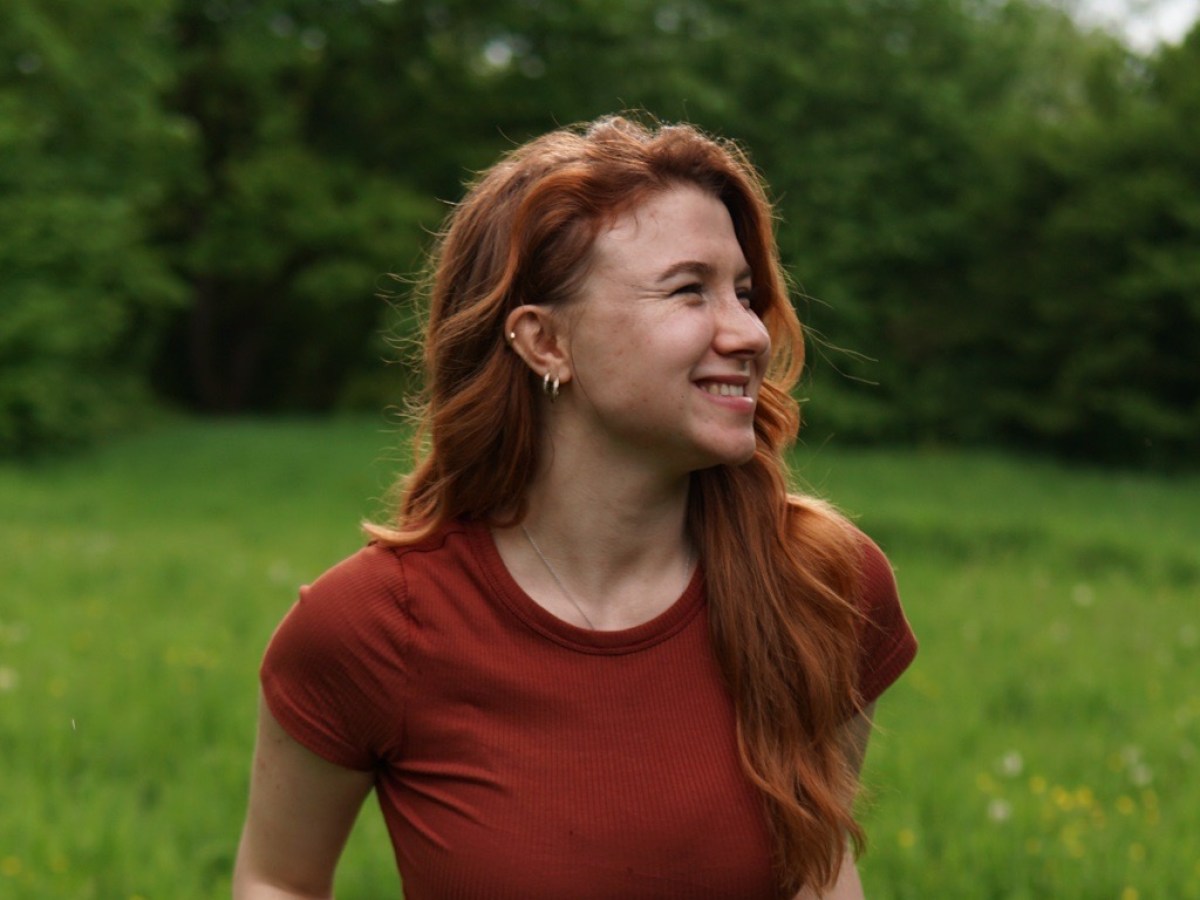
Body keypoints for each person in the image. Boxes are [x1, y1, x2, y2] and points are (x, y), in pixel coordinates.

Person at [233, 115, 917, 900]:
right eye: (690, 290)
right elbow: (275, 881)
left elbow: (820, 874)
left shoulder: (823, 582)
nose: (748, 333)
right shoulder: (372, 627)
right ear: (545, 343)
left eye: (745, 292)